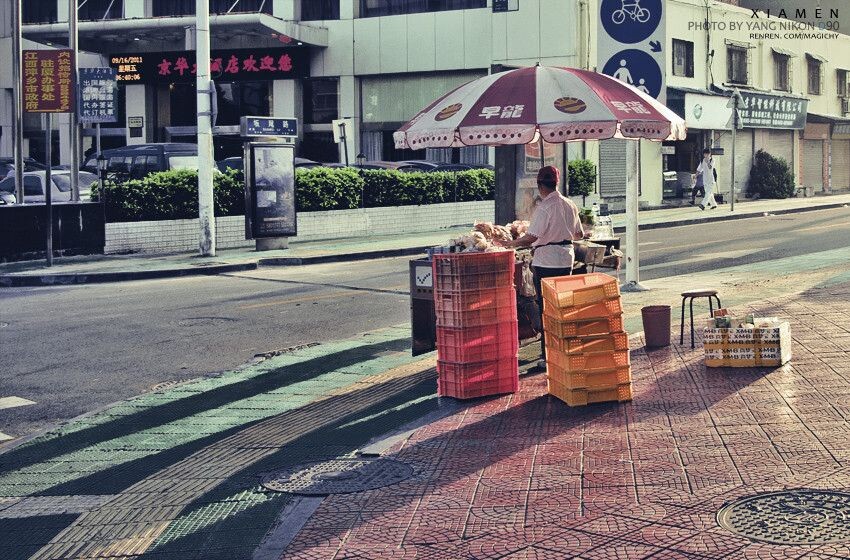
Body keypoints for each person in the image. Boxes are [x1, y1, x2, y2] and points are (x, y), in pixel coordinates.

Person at [499, 166, 585, 367]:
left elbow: (531, 237)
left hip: (547, 261)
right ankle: (564, 350)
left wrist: (510, 244)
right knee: (562, 305)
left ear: (540, 186)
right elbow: (579, 234)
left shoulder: (545, 207)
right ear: (557, 183)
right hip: (566, 260)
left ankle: (548, 356)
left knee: (547, 308)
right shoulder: (570, 204)